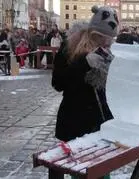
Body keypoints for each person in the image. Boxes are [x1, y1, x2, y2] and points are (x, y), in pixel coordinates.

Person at [52, 5, 118, 149]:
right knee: (78, 168)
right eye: (104, 38)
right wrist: (85, 63)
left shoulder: (108, 50)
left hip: (101, 121)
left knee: (102, 166)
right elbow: (58, 83)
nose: (108, 43)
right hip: (75, 121)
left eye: (111, 39)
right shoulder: (69, 48)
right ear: (94, 34)